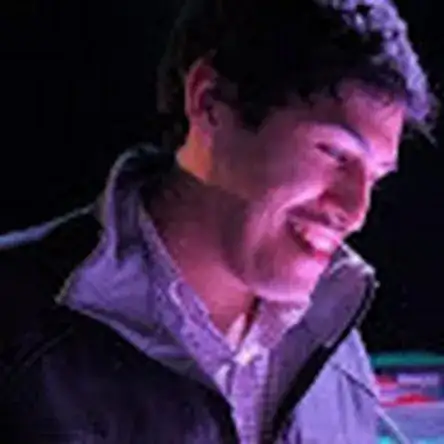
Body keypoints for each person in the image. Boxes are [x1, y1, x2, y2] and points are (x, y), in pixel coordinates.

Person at [0, 0, 435, 443]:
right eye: (334, 153)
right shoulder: (15, 326)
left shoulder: (340, 363)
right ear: (209, 102)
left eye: (375, 177)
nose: (355, 211)